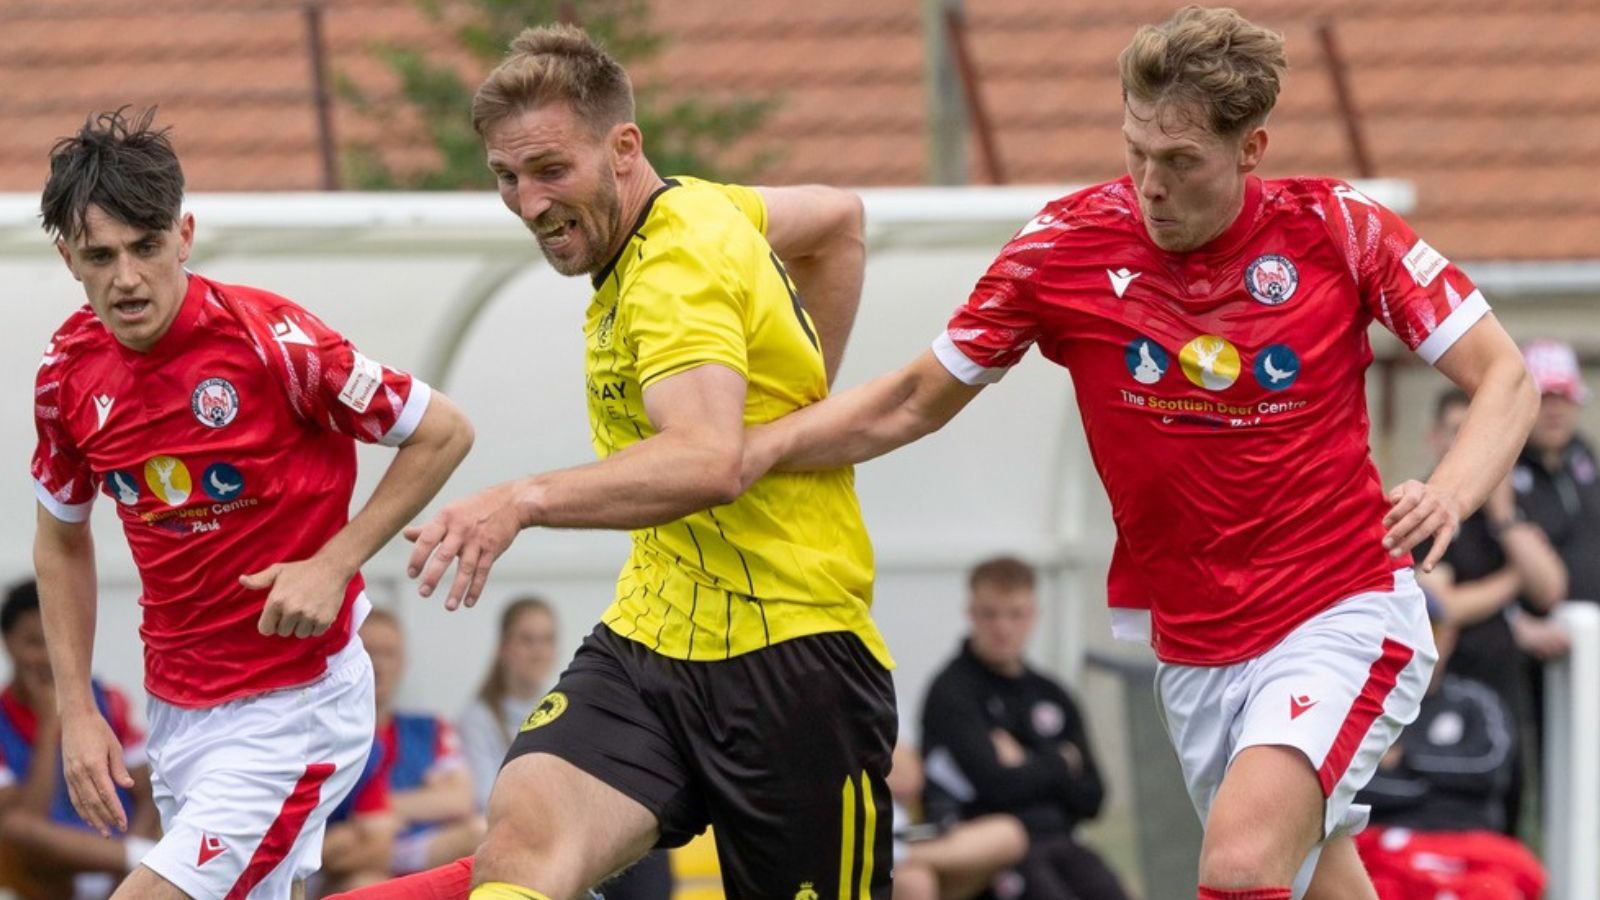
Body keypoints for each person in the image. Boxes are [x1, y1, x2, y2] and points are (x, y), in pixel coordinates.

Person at [743, 7, 1539, 898]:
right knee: (1313, 879)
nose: (1150, 184)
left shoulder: (1339, 229)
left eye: (1181, 161)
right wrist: (751, 453)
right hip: (1195, 646)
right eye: (1135, 151)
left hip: (1341, 604)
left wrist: (1452, 492)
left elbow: (1505, 377)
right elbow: (913, 399)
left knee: (1241, 866)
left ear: (1252, 149)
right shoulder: (1063, 247)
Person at [374, 23, 892, 900]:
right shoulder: (703, 205)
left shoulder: (675, 267)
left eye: (550, 170)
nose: (529, 204)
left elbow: (706, 460)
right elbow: (840, 220)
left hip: (793, 657)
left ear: (624, 149)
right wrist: (802, 405)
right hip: (652, 641)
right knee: (524, 838)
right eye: (507, 177)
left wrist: (521, 499)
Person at [32, 107, 474, 899]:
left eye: (146, 247)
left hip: (296, 707)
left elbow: (441, 431)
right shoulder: (67, 372)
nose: (127, 278)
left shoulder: (274, 341)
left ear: (185, 235)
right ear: (69, 257)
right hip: (178, 711)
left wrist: (334, 563)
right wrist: (78, 708)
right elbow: (62, 539)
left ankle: (527, 869)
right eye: (101, 256)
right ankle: (516, 876)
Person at [919, 558, 1128, 900]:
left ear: (1033, 614)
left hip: (1062, 840)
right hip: (993, 850)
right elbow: (995, 788)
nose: (1003, 627)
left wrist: (1026, 762)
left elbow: (1092, 797)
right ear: (971, 613)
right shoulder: (952, 693)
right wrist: (1061, 763)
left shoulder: (1052, 694)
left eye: (1015, 614)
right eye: (990, 614)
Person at [1416, 388, 1566, 835]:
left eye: (1476, 432)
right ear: (1435, 439)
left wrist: (1504, 518)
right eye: (1457, 431)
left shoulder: (1506, 514)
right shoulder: (1421, 512)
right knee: (1447, 826)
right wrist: (1510, 582)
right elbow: (1443, 607)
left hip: (1503, 697)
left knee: (1506, 822)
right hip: (1440, 698)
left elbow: (1550, 588)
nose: (1468, 443)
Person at [1352, 597, 1545, 899]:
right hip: (1386, 841)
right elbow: (1357, 785)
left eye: (1434, 629)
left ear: (1450, 637)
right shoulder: (1365, 705)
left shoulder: (1474, 701)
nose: (1422, 641)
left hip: (1470, 841)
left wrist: (1409, 760)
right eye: (1410, 630)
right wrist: (1438, 784)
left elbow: (1490, 767)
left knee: (1509, 881)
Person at [0, 579, 158, 900]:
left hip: (119, 864)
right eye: (33, 642)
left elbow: (148, 790)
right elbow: (26, 823)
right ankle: (147, 860)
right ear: (8, 642)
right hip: (51, 875)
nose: (45, 657)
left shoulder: (109, 701)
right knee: (13, 827)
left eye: (52, 642)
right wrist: (49, 725)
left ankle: (139, 861)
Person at [361, 610, 485, 878]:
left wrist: (375, 808)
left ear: (403, 662)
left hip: (419, 854)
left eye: (389, 653)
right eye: (369, 651)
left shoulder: (429, 729)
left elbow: (459, 800)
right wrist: (423, 802)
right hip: (359, 862)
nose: (379, 664)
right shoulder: (330, 738)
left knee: (480, 832)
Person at [886, 742, 1028, 900]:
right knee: (916, 882)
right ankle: (890, 854)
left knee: (1008, 835)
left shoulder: (867, 722)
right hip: (863, 847)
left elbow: (910, 779)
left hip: (905, 838)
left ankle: (895, 853)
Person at [455, 598, 558, 815]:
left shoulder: (562, 711)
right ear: (504, 647)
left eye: (547, 640)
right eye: (527, 640)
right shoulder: (478, 720)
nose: (538, 652)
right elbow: (485, 800)